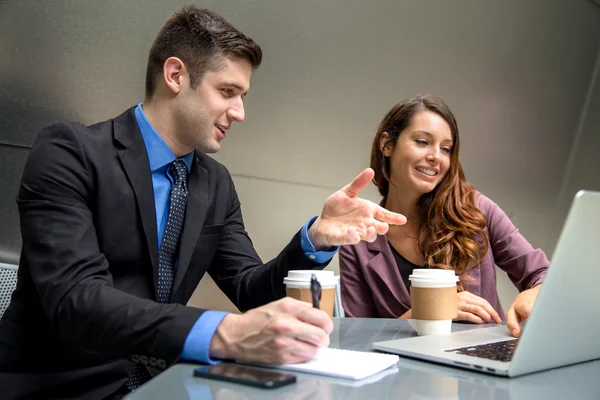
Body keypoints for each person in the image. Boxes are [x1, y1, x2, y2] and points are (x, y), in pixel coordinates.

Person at [0, 6, 405, 400]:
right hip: (62, 386)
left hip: (166, 383)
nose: (240, 112)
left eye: (243, 95)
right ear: (176, 75)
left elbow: (251, 291)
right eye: (227, 91)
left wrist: (316, 239)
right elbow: (76, 301)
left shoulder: (215, 183)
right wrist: (225, 332)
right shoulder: (70, 152)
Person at [339, 94, 549, 338]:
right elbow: (357, 339)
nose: (436, 156)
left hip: (480, 366)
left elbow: (542, 275)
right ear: (386, 144)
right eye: (422, 141)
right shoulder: (358, 241)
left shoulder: (478, 210)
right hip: (403, 374)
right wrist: (429, 309)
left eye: (446, 149)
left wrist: (534, 293)